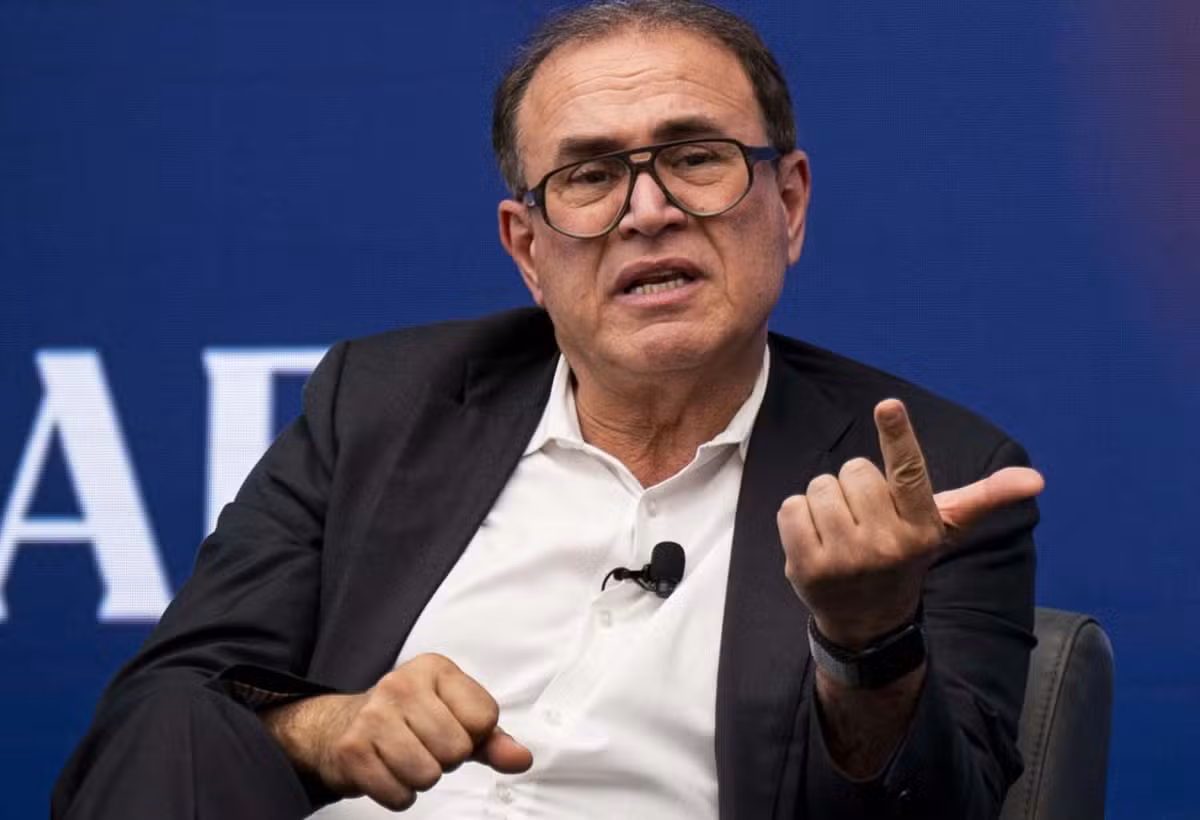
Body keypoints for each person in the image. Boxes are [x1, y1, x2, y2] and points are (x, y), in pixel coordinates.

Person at [53, 2, 1044, 818]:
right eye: (590, 176)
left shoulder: (933, 475)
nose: (648, 211)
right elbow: (164, 715)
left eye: (696, 157)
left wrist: (867, 640)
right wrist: (328, 728)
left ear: (788, 203)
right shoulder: (380, 404)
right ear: (527, 249)